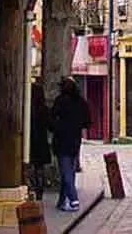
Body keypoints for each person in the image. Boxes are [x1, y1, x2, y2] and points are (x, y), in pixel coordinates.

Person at [48, 77, 90, 213]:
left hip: (61, 141)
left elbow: (51, 120)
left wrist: (57, 127)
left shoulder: (60, 101)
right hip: (75, 141)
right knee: (69, 171)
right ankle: (61, 201)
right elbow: (87, 122)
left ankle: (73, 199)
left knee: (66, 172)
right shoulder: (81, 102)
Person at [29, 83, 52, 198]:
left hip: (29, 142)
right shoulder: (44, 109)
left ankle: (32, 188)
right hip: (41, 142)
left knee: (29, 167)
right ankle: (39, 188)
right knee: (39, 167)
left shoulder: (27, 109)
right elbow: (51, 125)